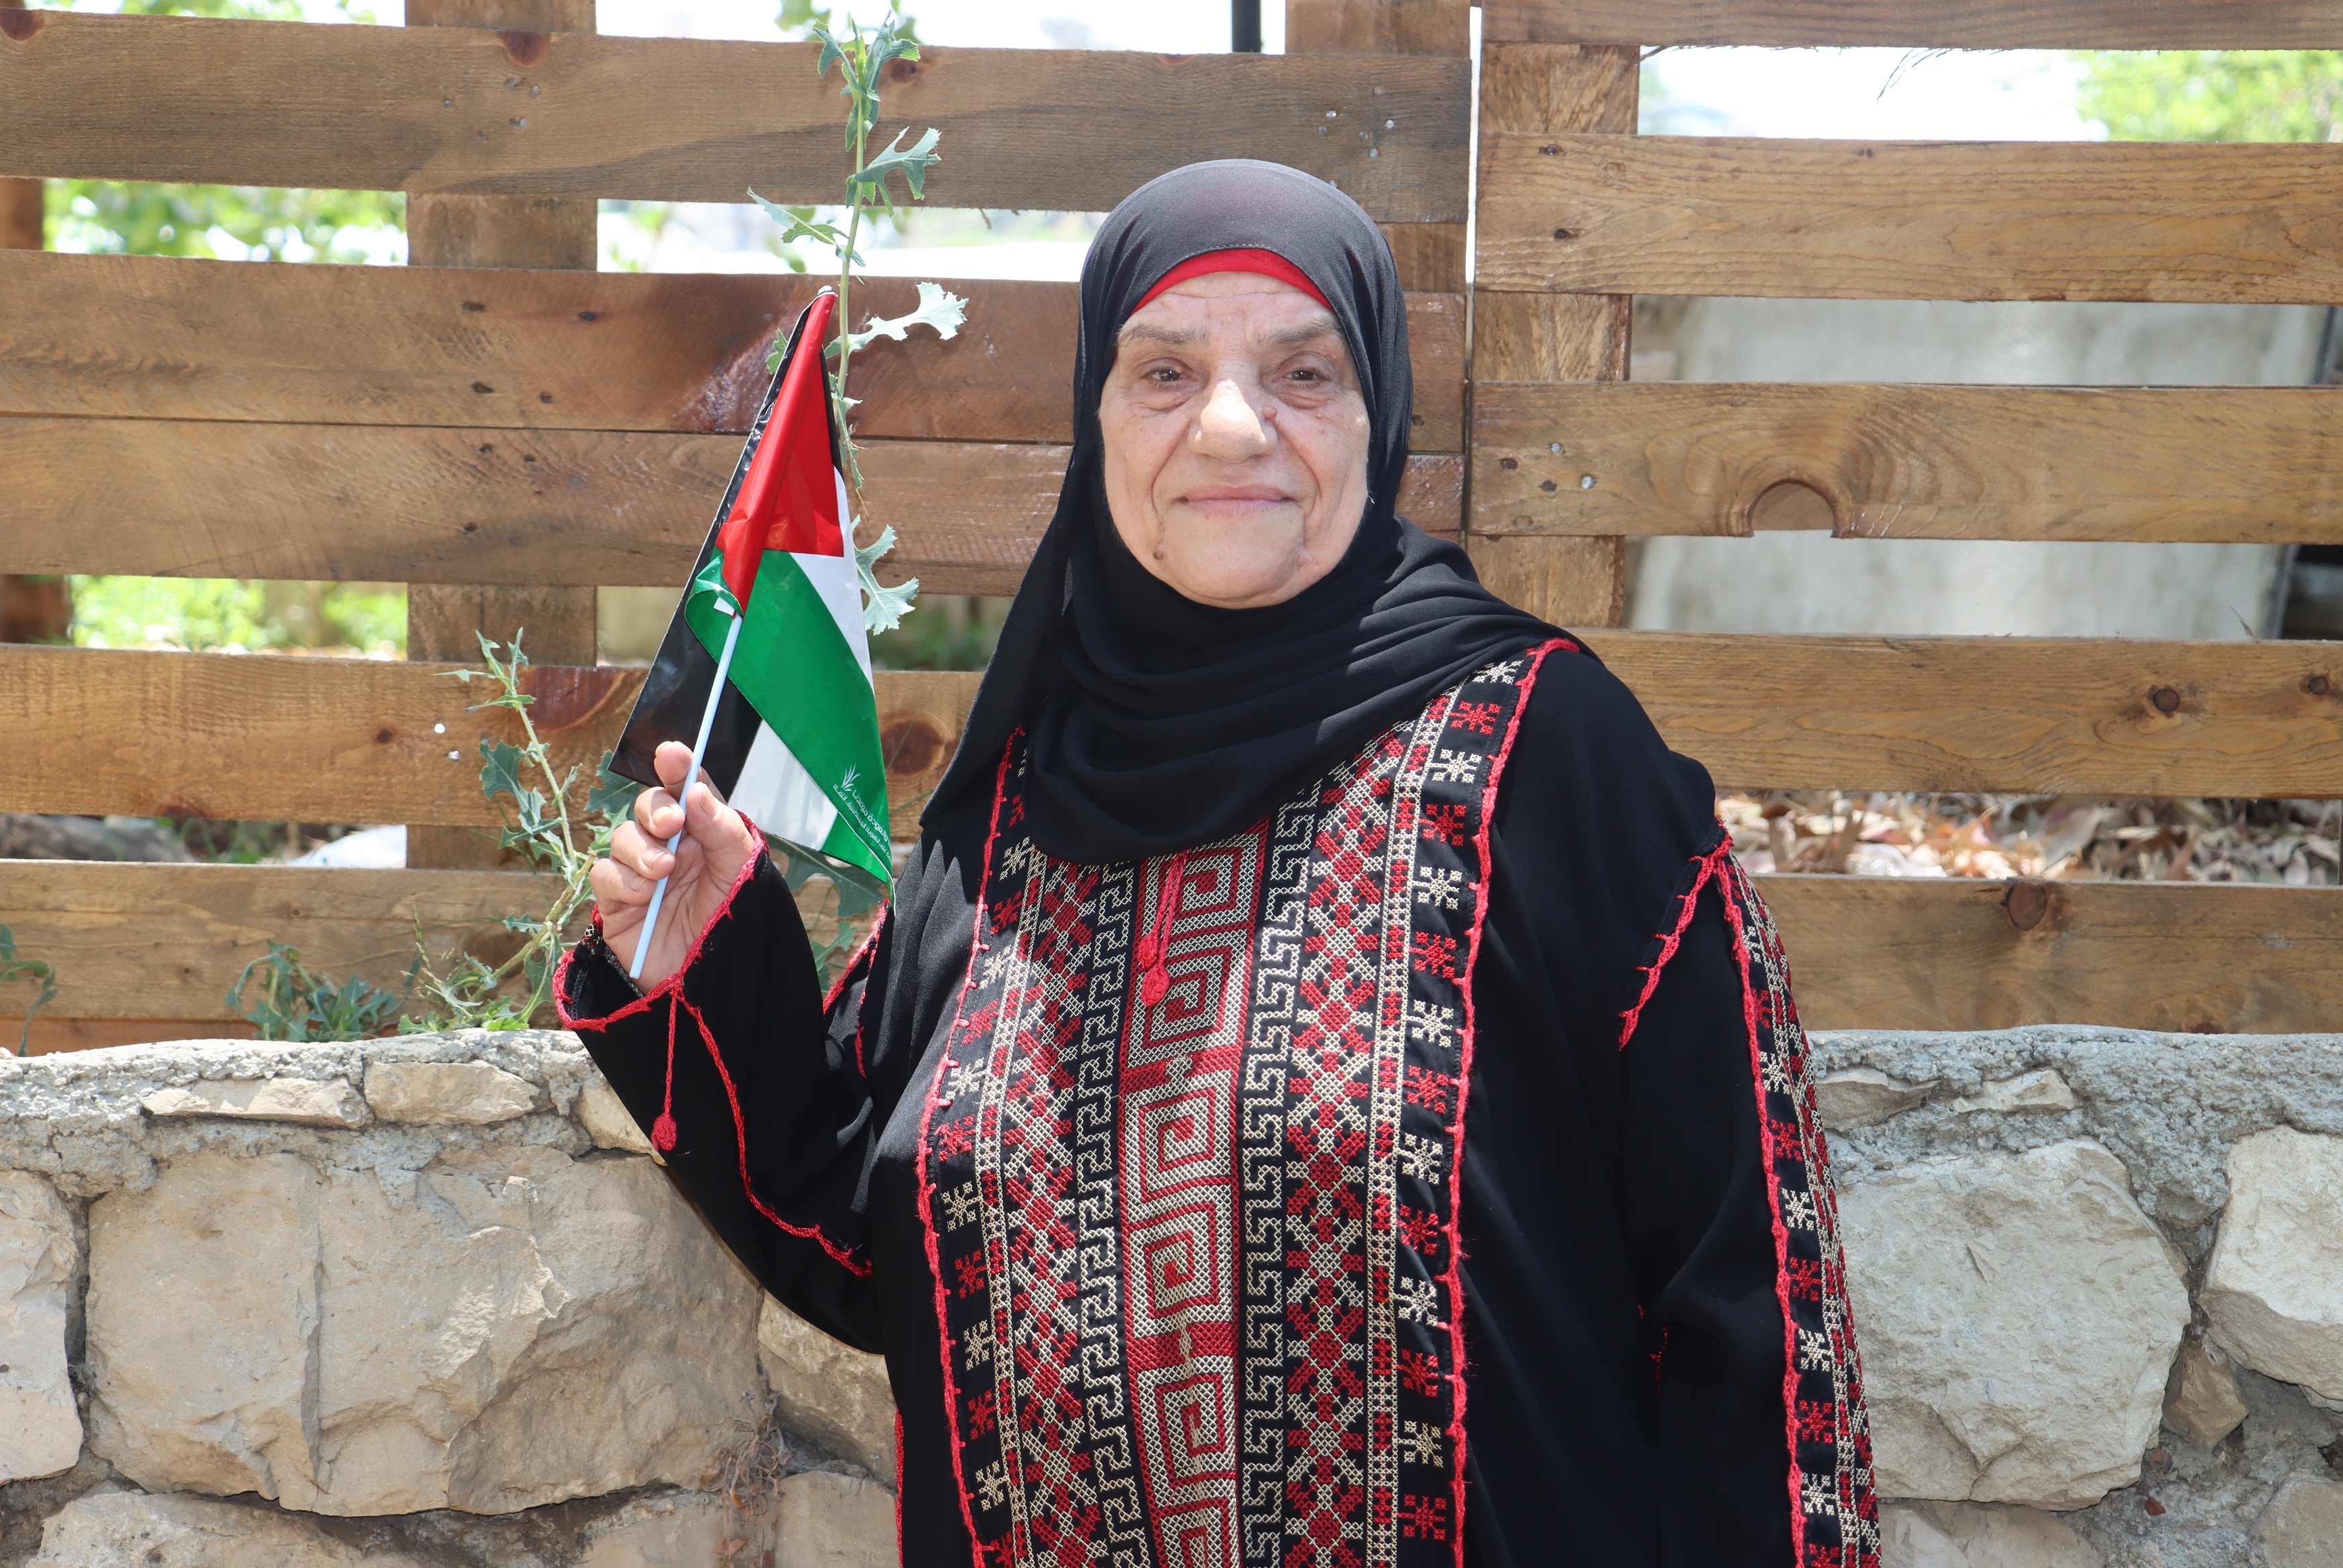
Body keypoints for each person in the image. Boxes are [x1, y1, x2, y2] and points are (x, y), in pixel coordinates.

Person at [561, 159, 1877, 1568]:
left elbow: (1756, 1308)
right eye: (1166, 373)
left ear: (1380, 414)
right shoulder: (1012, 811)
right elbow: (873, 1245)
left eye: (1303, 373)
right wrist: (709, 959)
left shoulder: (1546, 760)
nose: (1234, 426)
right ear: (1098, 417)